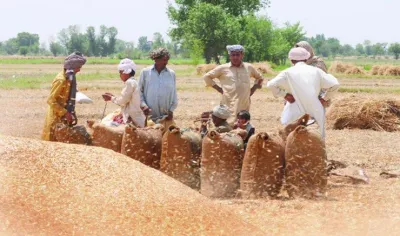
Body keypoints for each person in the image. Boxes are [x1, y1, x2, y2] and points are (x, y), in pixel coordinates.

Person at [266, 47, 339, 139]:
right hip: (315, 111)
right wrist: (324, 98)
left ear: (292, 60)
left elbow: (271, 85)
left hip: (293, 111)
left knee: (291, 141)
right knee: (316, 142)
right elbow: (335, 84)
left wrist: (284, 95)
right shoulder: (316, 71)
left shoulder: (287, 72)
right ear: (306, 59)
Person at [203, 45, 264, 119]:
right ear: (230, 56)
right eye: (233, 55)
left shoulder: (249, 67)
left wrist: (253, 89)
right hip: (228, 100)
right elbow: (206, 77)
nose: (235, 57)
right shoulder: (223, 68)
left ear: (242, 55)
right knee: (227, 122)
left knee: (242, 122)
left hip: (244, 101)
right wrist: (219, 89)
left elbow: (260, 77)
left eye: (237, 55)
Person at [42, 52, 86, 141]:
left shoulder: (70, 77)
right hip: (55, 118)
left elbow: (68, 92)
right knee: (52, 143)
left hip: (63, 117)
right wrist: (65, 113)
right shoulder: (60, 80)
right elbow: (51, 100)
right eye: (78, 68)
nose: (79, 70)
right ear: (72, 67)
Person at [138, 48, 178, 124]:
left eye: (167, 60)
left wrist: (171, 110)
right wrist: (143, 105)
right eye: (163, 60)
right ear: (156, 59)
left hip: (165, 116)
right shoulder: (145, 72)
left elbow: (174, 93)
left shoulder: (171, 74)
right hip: (148, 115)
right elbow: (139, 91)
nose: (166, 62)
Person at [102, 58, 146, 127]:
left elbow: (123, 101)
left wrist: (111, 98)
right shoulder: (134, 82)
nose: (120, 75)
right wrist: (113, 97)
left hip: (133, 120)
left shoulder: (129, 83)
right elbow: (125, 99)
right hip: (138, 118)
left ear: (127, 72)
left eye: (121, 72)